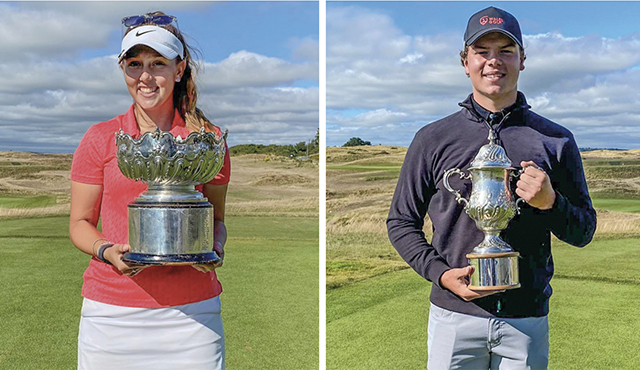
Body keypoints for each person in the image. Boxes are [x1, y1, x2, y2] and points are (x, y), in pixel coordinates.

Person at [387, 6, 596, 370]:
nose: (493, 62)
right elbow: (401, 222)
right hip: (453, 317)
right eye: (482, 51)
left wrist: (550, 202)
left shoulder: (555, 140)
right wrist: (441, 275)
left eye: (506, 51)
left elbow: (583, 230)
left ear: (523, 60)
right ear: (465, 61)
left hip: (526, 321)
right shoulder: (432, 138)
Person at [69, 11, 230, 370]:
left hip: (193, 316)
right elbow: (79, 223)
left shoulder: (210, 140)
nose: (145, 76)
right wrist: (106, 250)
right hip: (110, 315)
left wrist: (216, 245)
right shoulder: (100, 138)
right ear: (123, 69)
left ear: (179, 68)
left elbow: (216, 219)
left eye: (157, 63)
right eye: (134, 64)